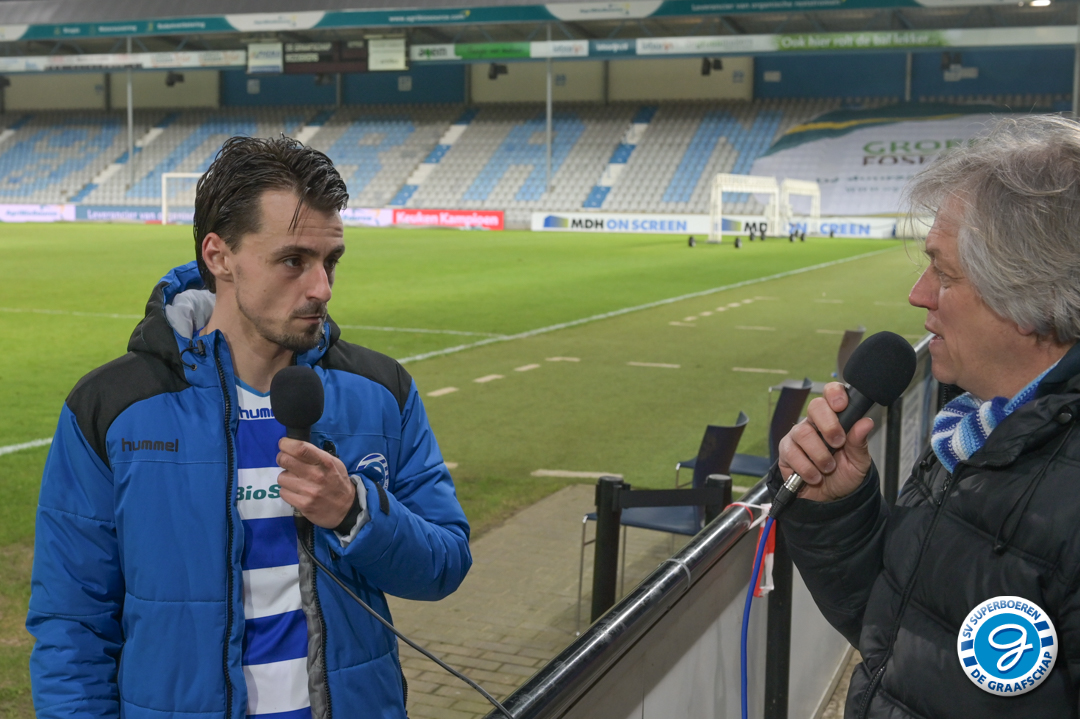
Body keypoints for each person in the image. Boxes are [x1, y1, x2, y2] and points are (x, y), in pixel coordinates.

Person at [27, 136, 472, 719]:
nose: (321, 288)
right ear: (219, 256)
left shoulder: (382, 392)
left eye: (330, 261)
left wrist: (354, 511)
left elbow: (445, 565)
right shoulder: (112, 407)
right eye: (293, 261)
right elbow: (72, 624)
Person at [772, 114, 1080, 717]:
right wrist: (838, 508)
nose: (918, 294)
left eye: (944, 273)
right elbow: (907, 634)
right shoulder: (974, 429)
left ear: (1032, 300)